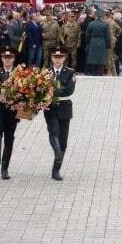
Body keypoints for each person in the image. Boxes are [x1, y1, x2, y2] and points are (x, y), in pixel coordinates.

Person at [0, 46, 20, 180]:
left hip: (12, 108)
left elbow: (25, 91)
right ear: (1, 59)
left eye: (10, 58)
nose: (7, 60)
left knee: (9, 138)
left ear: (14, 59)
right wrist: (0, 91)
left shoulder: (19, 73)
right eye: (5, 58)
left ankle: (4, 169)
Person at [44, 47, 76, 181]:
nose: (57, 60)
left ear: (64, 58)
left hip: (65, 107)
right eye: (55, 57)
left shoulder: (70, 72)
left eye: (60, 57)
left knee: (63, 142)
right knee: (54, 131)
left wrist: (52, 91)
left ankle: (56, 170)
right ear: (52, 59)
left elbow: (69, 90)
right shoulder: (46, 73)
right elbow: (41, 89)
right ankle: (57, 153)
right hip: (50, 107)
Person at [85, 10, 110, 76]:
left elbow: (87, 35)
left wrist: (87, 42)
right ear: (102, 16)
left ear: (95, 16)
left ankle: (93, 72)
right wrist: (108, 45)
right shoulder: (105, 24)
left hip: (93, 42)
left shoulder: (91, 23)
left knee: (93, 57)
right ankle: (100, 73)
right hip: (102, 42)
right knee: (101, 58)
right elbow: (107, 36)